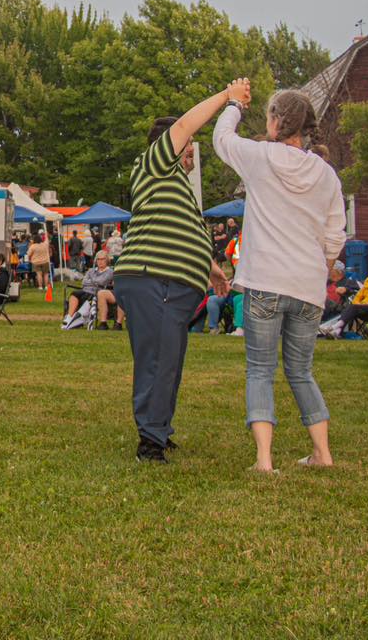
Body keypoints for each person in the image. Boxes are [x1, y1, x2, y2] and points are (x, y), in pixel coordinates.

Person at [213, 82, 347, 473]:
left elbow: (222, 139)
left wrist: (236, 102)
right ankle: (322, 452)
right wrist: (320, 263)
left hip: (265, 281)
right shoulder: (326, 174)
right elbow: (336, 234)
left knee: (259, 368)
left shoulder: (260, 158)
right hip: (307, 286)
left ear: (275, 121)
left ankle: (264, 458)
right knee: (301, 370)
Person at [114, 85, 241, 464]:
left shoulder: (174, 187)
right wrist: (225, 98)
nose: (191, 150)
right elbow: (186, 123)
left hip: (173, 283)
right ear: (167, 145)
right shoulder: (155, 164)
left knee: (169, 357)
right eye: (188, 144)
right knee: (159, 358)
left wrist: (213, 269)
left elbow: (185, 229)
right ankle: (150, 440)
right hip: (154, 278)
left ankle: (159, 429)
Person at [64, 250, 115, 327]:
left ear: (107, 260)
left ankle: (76, 319)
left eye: (102, 259)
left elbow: (102, 282)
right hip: (85, 291)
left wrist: (91, 281)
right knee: (74, 293)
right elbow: (84, 282)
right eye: (98, 259)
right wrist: (94, 282)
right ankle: (69, 318)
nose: (100, 261)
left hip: (97, 293)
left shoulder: (110, 272)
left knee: (83, 294)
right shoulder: (91, 270)